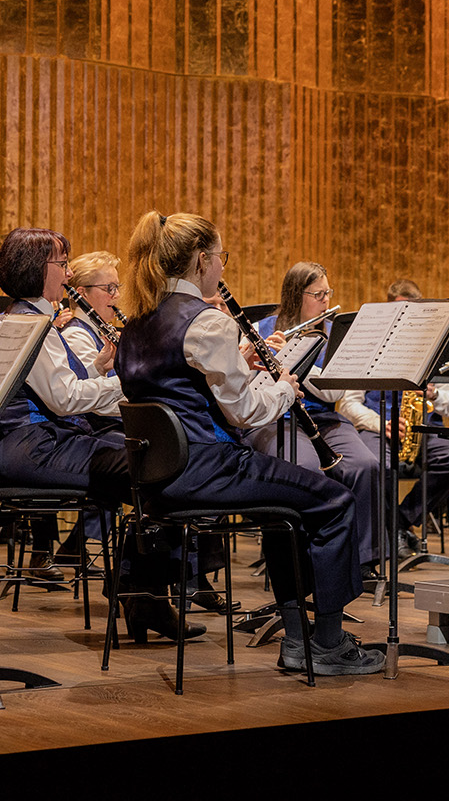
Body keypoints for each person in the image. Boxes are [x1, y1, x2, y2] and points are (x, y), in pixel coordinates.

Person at [116, 212, 381, 675]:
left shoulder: (136, 321)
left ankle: (298, 641)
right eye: (221, 257)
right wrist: (285, 389)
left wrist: (239, 365)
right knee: (336, 500)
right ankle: (329, 643)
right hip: (209, 469)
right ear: (202, 260)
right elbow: (245, 412)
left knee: (285, 513)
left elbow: (178, 389)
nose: (223, 266)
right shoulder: (206, 322)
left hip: (157, 477)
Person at [0, 226, 202, 641]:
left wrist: (100, 371)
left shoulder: (26, 316)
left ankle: (143, 593)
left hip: (36, 442)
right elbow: (65, 398)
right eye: (62, 264)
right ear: (37, 269)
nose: (68, 273)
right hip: (34, 446)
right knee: (165, 469)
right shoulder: (32, 324)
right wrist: (133, 379)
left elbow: (53, 387)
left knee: (157, 463)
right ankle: (139, 591)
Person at [245, 262, 384, 578]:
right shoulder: (260, 329)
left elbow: (333, 392)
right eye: (318, 294)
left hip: (323, 418)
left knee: (365, 465)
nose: (326, 300)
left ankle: (362, 561)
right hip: (274, 420)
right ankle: (306, 564)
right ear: (297, 295)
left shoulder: (334, 334)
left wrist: (291, 362)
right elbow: (244, 388)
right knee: (304, 468)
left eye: (327, 293)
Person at [339, 277, 449, 561]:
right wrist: (382, 424)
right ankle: (388, 537)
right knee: (377, 465)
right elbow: (349, 404)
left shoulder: (438, 346)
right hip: (379, 429)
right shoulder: (368, 345)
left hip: (424, 429)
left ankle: (399, 522)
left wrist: (434, 394)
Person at [61, 250, 124, 376]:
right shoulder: (76, 336)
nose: (117, 295)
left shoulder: (97, 330)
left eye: (117, 287)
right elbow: (94, 386)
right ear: (82, 293)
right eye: (110, 288)